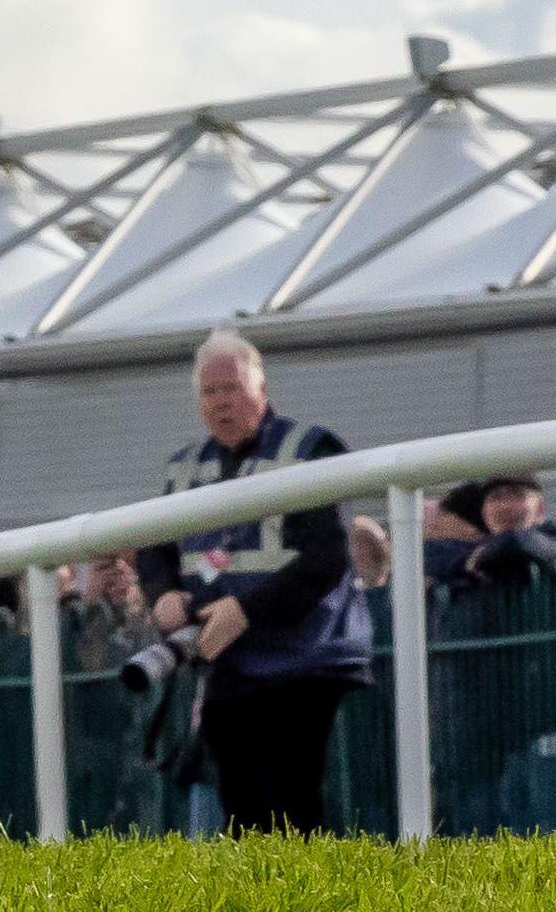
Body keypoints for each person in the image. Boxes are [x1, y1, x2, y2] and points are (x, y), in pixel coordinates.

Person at [132, 329, 367, 834]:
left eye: (232, 388)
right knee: (242, 814)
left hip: (305, 660)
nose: (221, 402)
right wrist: (163, 596)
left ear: (261, 387)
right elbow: (152, 545)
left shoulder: (311, 449)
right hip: (227, 664)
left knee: (295, 807)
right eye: (209, 392)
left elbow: (326, 559)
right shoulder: (183, 468)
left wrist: (246, 610)